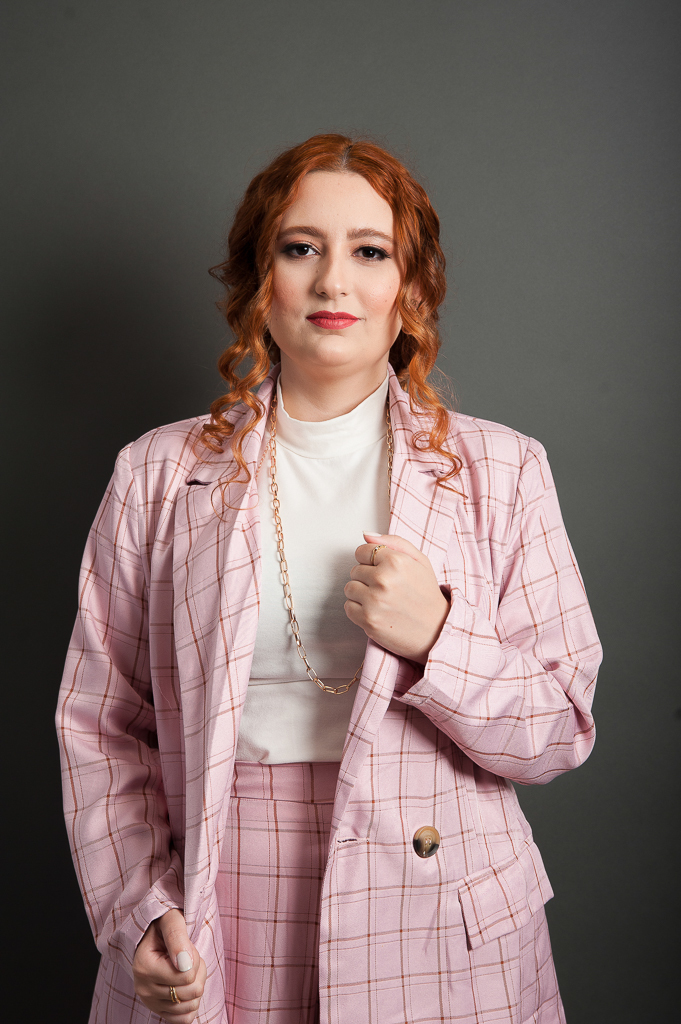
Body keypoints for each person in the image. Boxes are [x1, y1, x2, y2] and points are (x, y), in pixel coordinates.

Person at [56, 133, 602, 1024]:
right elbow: (100, 723)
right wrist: (137, 908)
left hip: (440, 908)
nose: (332, 282)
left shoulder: (503, 470)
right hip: (219, 891)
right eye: (300, 247)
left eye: (370, 252)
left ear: (410, 286)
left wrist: (439, 640)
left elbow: (559, 730)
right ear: (256, 279)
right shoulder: (157, 473)